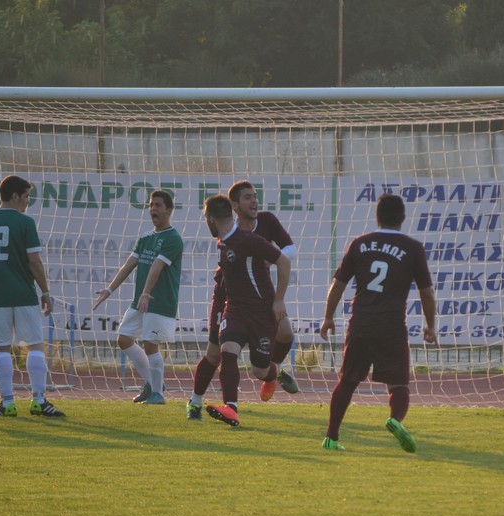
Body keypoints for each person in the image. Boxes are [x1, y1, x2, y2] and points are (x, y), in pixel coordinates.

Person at [319, 193, 437, 453]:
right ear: (403, 218)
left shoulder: (360, 244)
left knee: (347, 381)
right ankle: (395, 420)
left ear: (377, 217)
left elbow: (338, 285)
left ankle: (331, 437)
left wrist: (328, 317)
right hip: (391, 326)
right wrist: (430, 325)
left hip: (361, 324)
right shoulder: (413, 248)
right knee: (399, 384)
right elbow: (427, 293)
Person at [185, 180, 298, 420]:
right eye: (248, 197)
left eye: (254, 196)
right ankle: (222, 407)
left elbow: (285, 258)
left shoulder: (251, 235)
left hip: (260, 308)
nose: (254, 201)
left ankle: (272, 373)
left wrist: (279, 300)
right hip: (232, 304)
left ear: (211, 220)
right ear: (234, 207)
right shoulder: (225, 237)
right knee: (222, 351)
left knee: (261, 367)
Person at [0, 174, 64, 418]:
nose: (27, 201)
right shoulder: (25, 222)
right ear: (14, 196)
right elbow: (34, 261)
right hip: (23, 293)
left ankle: (7, 403)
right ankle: (39, 401)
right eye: (26, 196)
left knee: (1, 348)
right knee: (35, 344)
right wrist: (45, 292)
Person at [93, 189, 183, 406]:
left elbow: (157, 267)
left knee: (150, 345)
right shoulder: (146, 238)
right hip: (141, 301)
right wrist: (109, 290)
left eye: (158, 205)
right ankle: (152, 383)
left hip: (158, 301)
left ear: (169, 210)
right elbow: (130, 264)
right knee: (124, 338)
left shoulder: (173, 238)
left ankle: (158, 395)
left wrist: (146, 292)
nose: (153, 209)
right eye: (151, 205)